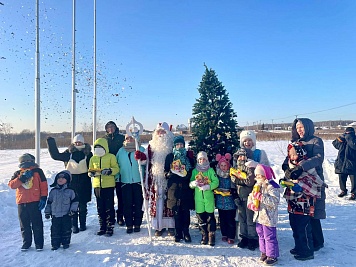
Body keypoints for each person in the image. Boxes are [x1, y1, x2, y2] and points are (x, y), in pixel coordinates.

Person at [282, 118, 326, 260]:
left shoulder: (316, 141)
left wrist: (301, 167)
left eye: (302, 127)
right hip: (297, 182)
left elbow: (318, 158)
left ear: (308, 127)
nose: (299, 129)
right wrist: (286, 168)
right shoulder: (294, 143)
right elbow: (288, 158)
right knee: (302, 214)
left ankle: (316, 242)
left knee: (312, 213)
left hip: (311, 181)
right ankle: (307, 243)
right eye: (297, 127)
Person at [47, 134, 92, 233]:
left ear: (83, 143)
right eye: (76, 142)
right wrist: (51, 142)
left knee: (83, 204)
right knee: (72, 204)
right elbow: (56, 155)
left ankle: (83, 224)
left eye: (79, 142)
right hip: (72, 181)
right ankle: (74, 225)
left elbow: (93, 164)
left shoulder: (88, 153)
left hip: (85, 181)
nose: (77, 144)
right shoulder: (69, 153)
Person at [136, 122, 176, 237]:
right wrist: (141, 156)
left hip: (170, 179)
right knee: (157, 203)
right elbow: (144, 161)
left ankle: (171, 226)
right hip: (155, 179)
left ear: (168, 133)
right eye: (158, 132)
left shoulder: (172, 145)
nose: (160, 134)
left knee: (169, 202)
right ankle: (159, 226)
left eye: (163, 132)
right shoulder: (151, 146)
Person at [8, 153, 48, 251]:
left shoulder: (38, 171)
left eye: (27, 161)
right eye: (23, 161)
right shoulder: (18, 173)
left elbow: (43, 185)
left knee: (37, 223)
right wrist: (22, 178)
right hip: (22, 202)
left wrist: (43, 198)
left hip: (35, 201)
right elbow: (12, 185)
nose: (26, 163)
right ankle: (26, 243)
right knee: (24, 224)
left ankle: (39, 244)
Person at [163, 135, 195, 243]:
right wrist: (169, 174)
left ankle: (186, 232)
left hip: (186, 187)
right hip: (174, 187)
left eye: (181, 144)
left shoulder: (188, 157)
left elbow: (193, 170)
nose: (179, 146)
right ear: (174, 146)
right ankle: (178, 233)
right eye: (177, 144)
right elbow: (165, 172)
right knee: (176, 211)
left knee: (185, 211)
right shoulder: (170, 157)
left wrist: (187, 175)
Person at [247, 164, 280, 266]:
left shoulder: (272, 186)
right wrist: (251, 204)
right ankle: (264, 252)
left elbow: (274, 201)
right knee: (261, 235)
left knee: (269, 236)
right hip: (258, 217)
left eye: (259, 175)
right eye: (256, 175)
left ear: (265, 175)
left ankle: (272, 255)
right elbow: (251, 196)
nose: (257, 177)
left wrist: (261, 197)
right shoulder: (257, 186)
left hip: (268, 217)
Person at [88, 138, 119, 237]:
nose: (98, 149)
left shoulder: (111, 157)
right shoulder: (93, 158)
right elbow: (90, 169)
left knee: (109, 206)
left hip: (108, 185)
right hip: (97, 185)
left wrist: (110, 171)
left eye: (100, 147)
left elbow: (116, 168)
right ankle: (102, 226)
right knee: (100, 207)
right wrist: (91, 173)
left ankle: (110, 226)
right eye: (96, 147)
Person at [231, 147, 259, 250]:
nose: (241, 158)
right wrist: (234, 193)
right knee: (242, 218)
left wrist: (239, 181)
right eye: (239, 156)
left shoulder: (250, 167)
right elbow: (233, 181)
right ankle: (244, 237)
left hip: (249, 197)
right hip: (239, 197)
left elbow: (250, 182)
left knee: (250, 219)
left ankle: (252, 238)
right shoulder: (235, 168)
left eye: (243, 156)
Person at [117, 134, 145, 234]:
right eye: (127, 138)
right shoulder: (121, 151)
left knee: (138, 203)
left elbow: (146, 163)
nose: (129, 140)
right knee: (127, 204)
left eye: (131, 138)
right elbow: (117, 164)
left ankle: (137, 223)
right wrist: (117, 177)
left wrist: (142, 159)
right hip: (125, 181)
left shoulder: (140, 149)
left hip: (138, 181)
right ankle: (129, 224)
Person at [189, 151, 219, 246]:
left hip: (208, 198)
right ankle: (204, 234)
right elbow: (190, 184)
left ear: (207, 160)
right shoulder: (195, 171)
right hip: (199, 200)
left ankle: (211, 234)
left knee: (210, 217)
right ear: (198, 160)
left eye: (204, 159)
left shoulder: (210, 170)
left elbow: (216, 182)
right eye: (200, 159)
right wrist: (193, 183)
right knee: (201, 218)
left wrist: (208, 186)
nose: (202, 161)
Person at [44, 170, 79, 250]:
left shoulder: (70, 191)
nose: (60, 180)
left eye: (63, 178)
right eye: (59, 178)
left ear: (67, 180)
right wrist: (47, 212)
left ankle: (65, 242)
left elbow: (75, 202)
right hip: (55, 215)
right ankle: (55, 244)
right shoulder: (53, 191)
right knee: (55, 230)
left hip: (66, 214)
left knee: (66, 229)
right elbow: (49, 202)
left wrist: (73, 210)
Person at [103, 121, 125, 226]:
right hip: (108, 169)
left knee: (121, 195)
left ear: (116, 127)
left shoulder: (121, 138)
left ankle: (120, 215)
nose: (110, 128)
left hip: (121, 167)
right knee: (109, 196)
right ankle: (110, 217)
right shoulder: (104, 139)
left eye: (112, 126)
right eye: (108, 127)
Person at [214, 153, 237, 244]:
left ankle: (231, 236)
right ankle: (224, 234)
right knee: (222, 219)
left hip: (230, 202)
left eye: (225, 166)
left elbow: (235, 186)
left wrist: (232, 191)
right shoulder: (217, 176)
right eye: (221, 165)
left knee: (230, 219)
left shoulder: (231, 175)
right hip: (220, 201)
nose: (223, 167)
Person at [332, 127, 356, 200]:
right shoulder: (344, 140)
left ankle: (354, 193)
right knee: (342, 178)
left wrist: (349, 138)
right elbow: (335, 144)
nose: (347, 135)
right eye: (346, 133)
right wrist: (340, 137)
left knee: (354, 179)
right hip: (341, 162)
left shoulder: (353, 140)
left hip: (352, 162)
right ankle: (343, 190)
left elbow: (354, 146)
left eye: (349, 133)